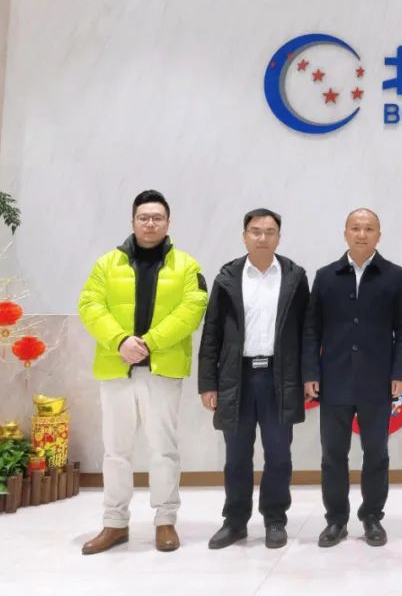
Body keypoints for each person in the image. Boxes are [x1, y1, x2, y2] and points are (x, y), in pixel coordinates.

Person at [78, 189, 208, 555]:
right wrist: (120, 341)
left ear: (168, 222)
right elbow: (89, 305)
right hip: (116, 368)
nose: (150, 223)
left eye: (157, 218)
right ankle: (114, 523)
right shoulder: (107, 264)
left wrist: (148, 343)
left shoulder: (187, 266)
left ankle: (165, 521)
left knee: (163, 450)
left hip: (162, 370)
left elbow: (192, 310)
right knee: (115, 452)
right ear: (133, 221)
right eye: (143, 217)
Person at [198, 209, 309, 550]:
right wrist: (208, 383)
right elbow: (212, 333)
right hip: (238, 378)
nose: (263, 237)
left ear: (279, 237)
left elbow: (307, 332)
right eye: (256, 231)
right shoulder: (228, 278)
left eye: (270, 231)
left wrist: (308, 378)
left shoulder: (294, 277)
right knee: (236, 456)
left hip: (279, 378)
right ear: (244, 236)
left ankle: (275, 520)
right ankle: (234, 522)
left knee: (279, 455)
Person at [302, 208, 402, 548]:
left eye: (369, 229)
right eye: (355, 228)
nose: (362, 234)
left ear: (379, 235)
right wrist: (311, 372)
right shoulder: (325, 276)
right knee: (333, 455)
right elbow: (311, 330)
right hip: (333, 379)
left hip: (377, 381)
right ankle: (336, 520)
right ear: (345, 233)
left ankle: (372, 517)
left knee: (376, 453)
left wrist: (400, 373)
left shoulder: (394, 276)